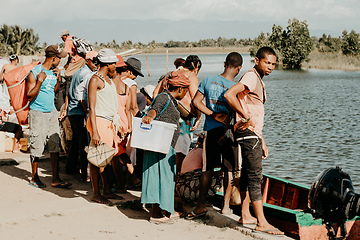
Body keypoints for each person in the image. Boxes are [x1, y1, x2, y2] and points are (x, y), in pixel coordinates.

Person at [224, 47, 284, 235]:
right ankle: (262, 222)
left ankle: (245, 214)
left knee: (248, 175)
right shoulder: (251, 76)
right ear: (257, 60)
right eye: (267, 62)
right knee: (255, 177)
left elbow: (252, 112)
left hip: (252, 134)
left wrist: (262, 139)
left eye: (273, 64)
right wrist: (244, 116)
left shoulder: (256, 79)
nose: (271, 67)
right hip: (249, 133)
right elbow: (229, 95)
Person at [188, 52, 243, 218]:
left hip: (211, 130)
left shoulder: (208, 80)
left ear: (224, 63)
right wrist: (225, 125)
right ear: (239, 69)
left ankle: (200, 205)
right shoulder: (237, 88)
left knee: (208, 169)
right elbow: (235, 114)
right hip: (228, 132)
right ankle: (226, 206)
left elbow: (195, 102)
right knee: (229, 170)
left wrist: (212, 114)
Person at [141, 71, 190, 224]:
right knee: (162, 177)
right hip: (161, 145)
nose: (186, 93)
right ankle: (156, 214)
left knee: (162, 177)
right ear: (180, 89)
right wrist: (150, 116)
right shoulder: (163, 97)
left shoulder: (171, 100)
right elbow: (154, 109)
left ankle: (165, 209)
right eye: (186, 90)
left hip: (163, 144)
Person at [26, 45, 71, 188]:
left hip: (51, 112)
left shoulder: (54, 72)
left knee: (54, 144)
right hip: (37, 113)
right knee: (36, 144)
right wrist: (39, 81)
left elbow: (55, 91)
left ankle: (55, 178)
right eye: (59, 59)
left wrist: (58, 79)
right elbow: (29, 96)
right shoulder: (34, 73)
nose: (60, 62)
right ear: (54, 58)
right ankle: (34, 177)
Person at [153, 55, 202, 174]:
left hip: (166, 117)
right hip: (183, 120)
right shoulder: (191, 75)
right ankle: (176, 181)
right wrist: (199, 117)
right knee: (180, 151)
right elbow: (196, 99)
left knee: (168, 149)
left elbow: (155, 94)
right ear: (196, 67)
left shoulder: (170, 74)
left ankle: (166, 177)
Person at [86, 48, 123, 204]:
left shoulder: (107, 79)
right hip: (99, 122)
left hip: (108, 122)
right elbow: (92, 108)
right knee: (97, 157)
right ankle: (96, 192)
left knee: (106, 157)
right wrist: (95, 131)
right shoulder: (96, 80)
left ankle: (106, 190)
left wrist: (118, 124)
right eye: (114, 63)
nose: (115, 65)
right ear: (108, 64)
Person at [60, 51, 99, 181]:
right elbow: (82, 96)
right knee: (84, 143)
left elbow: (69, 93)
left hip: (72, 110)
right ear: (87, 60)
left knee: (77, 140)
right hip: (79, 111)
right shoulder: (87, 74)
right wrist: (87, 110)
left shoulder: (78, 72)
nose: (96, 64)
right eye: (94, 61)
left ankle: (71, 167)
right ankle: (84, 173)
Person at [111, 55, 141, 192]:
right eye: (135, 73)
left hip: (114, 121)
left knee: (117, 153)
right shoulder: (130, 85)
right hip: (124, 121)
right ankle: (129, 180)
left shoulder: (110, 82)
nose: (135, 77)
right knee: (122, 152)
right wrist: (132, 125)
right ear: (127, 70)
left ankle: (123, 183)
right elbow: (132, 107)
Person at [57, 29, 86, 110]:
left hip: (77, 60)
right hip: (82, 59)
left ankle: (68, 97)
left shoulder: (68, 41)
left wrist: (67, 63)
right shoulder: (73, 38)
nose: (62, 39)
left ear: (65, 35)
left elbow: (69, 54)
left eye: (62, 37)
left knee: (67, 74)